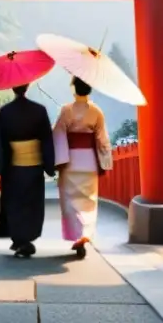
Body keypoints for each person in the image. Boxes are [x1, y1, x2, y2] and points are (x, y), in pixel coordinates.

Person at [0, 83, 56, 258]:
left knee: (14, 203)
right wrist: (49, 165)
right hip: (34, 167)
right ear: (27, 87)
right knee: (31, 204)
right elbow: (46, 140)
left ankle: (19, 240)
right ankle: (26, 239)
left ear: (12, 88)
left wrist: (0, 164)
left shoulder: (6, 111)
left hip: (13, 167)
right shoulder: (39, 110)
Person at [52, 76, 112, 258]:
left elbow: (58, 135)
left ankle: (77, 235)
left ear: (74, 89)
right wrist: (106, 161)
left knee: (70, 201)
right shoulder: (96, 111)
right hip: (89, 161)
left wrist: (59, 159)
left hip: (70, 160)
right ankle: (85, 233)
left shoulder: (66, 110)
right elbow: (102, 140)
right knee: (88, 200)